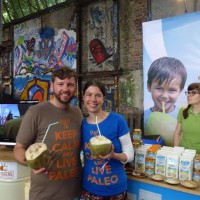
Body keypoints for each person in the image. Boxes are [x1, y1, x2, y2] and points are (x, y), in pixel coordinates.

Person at [13, 67, 83, 200]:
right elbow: (18, 148)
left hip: (74, 193)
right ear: (52, 86)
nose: (65, 89)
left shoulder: (77, 113)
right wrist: (30, 162)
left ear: (75, 87)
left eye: (70, 85)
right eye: (60, 84)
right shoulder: (36, 113)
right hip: (45, 195)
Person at [81, 80, 134, 200]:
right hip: (89, 188)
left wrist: (114, 155)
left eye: (98, 95)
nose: (93, 99)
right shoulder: (81, 124)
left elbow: (130, 154)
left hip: (115, 190)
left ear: (103, 99)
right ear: (83, 97)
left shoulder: (117, 120)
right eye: (89, 94)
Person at [144, 56, 187, 127]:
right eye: (159, 88)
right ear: (149, 86)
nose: (164, 96)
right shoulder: (144, 117)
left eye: (172, 90)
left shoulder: (184, 117)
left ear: (180, 91)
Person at [173, 82, 200, 154]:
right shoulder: (183, 110)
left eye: (193, 93)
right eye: (188, 92)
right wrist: (176, 152)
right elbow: (177, 133)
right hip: (185, 155)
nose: (188, 95)